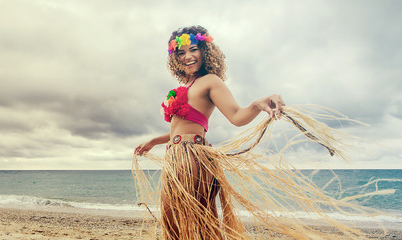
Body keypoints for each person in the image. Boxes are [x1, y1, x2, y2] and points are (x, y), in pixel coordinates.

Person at [133, 26, 376, 240]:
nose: (188, 56)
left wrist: (258, 104)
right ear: (175, 58)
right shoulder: (183, 87)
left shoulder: (210, 81)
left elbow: (237, 116)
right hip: (174, 158)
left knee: (202, 219)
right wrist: (154, 141)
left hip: (193, 158)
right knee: (171, 221)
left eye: (193, 49)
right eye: (181, 52)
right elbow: (177, 129)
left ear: (204, 52)